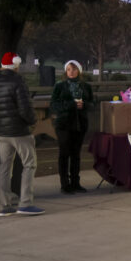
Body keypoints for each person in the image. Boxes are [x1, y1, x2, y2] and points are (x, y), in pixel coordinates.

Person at [0, 52, 43, 216]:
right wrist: (33, 121)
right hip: (19, 131)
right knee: (29, 164)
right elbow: (25, 109)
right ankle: (25, 203)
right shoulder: (18, 82)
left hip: (1, 133)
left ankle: (4, 205)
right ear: (16, 65)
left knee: (4, 167)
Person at [50, 60, 94, 194]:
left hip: (80, 124)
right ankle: (65, 184)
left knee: (76, 154)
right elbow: (54, 105)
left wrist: (84, 105)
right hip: (64, 124)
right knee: (64, 153)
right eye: (68, 69)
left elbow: (92, 103)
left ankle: (75, 182)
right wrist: (70, 105)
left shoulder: (85, 86)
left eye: (74, 69)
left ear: (79, 71)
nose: (71, 72)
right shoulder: (60, 86)